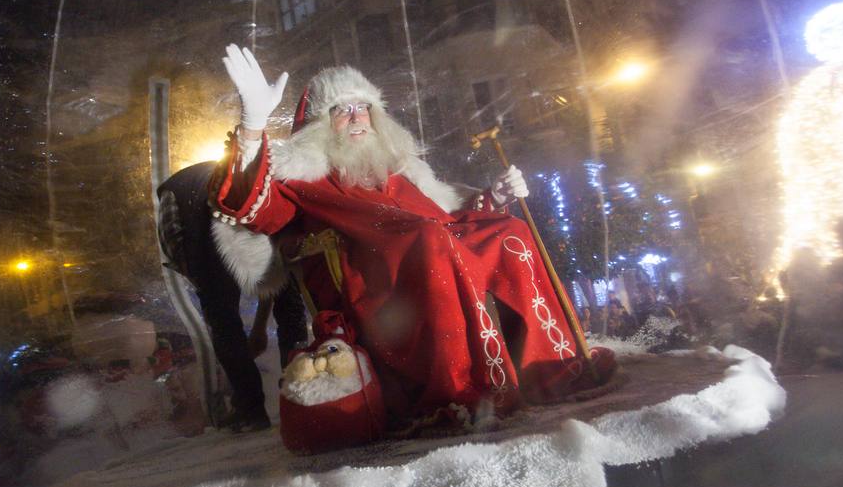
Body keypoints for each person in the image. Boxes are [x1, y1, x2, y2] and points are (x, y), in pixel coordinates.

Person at [209, 45, 613, 430]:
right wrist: (253, 126)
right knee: (430, 240)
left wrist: (494, 199)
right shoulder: (303, 176)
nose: (356, 118)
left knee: (509, 232)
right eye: (342, 110)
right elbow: (250, 206)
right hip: (374, 281)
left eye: (363, 108)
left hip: (434, 250)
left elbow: (447, 216)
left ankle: (551, 369)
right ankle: (457, 391)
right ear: (320, 123)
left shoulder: (399, 170)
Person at [156, 159, 308, 432]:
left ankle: (251, 411)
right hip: (247, 232)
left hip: (214, 248)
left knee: (225, 327)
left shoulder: (173, 189)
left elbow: (173, 241)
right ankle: (300, 398)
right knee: (290, 312)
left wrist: (203, 282)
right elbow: (274, 276)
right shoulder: (249, 181)